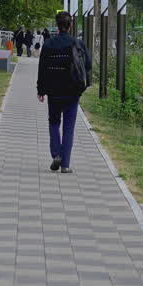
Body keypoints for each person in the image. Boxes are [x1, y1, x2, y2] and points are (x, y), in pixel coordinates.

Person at [36, 11, 91, 174]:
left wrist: (41, 89)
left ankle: (56, 155)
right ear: (70, 25)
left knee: (53, 123)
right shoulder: (78, 44)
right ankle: (65, 164)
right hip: (72, 92)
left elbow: (42, 69)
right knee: (69, 127)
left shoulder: (48, 44)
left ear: (57, 25)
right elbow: (87, 65)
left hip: (53, 91)